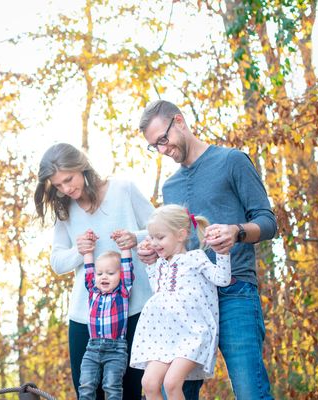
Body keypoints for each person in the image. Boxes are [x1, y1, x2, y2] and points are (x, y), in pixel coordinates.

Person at [137, 100, 277, 399]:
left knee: (249, 390)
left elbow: (267, 222)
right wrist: (156, 252)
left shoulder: (232, 161)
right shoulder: (171, 187)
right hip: (185, 305)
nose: (162, 149)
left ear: (179, 121)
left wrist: (236, 232)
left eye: (163, 139)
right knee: (168, 387)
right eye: (154, 146)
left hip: (233, 292)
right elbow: (179, 246)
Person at [34, 143, 154, 399]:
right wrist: (79, 251)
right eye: (57, 185)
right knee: (87, 392)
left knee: (129, 392)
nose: (66, 189)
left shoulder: (124, 189)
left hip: (134, 312)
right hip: (86, 318)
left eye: (68, 179)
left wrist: (136, 237)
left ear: (82, 167)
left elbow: (161, 231)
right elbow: (57, 263)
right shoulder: (64, 209)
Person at [130, 205, 231, 400]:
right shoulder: (160, 263)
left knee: (171, 383)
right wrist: (150, 265)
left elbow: (222, 279)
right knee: (149, 384)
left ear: (181, 235)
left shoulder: (195, 258)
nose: (154, 243)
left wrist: (222, 253)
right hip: (162, 335)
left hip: (192, 333)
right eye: (151, 238)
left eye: (160, 237)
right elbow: (157, 290)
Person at [78, 230, 135, 400]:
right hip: (92, 348)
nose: (104, 277)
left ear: (120, 275)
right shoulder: (92, 290)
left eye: (110, 273)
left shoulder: (122, 291)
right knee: (86, 385)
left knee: (111, 387)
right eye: (100, 273)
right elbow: (89, 269)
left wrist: (124, 246)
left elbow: (127, 266)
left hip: (116, 349)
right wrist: (88, 250)